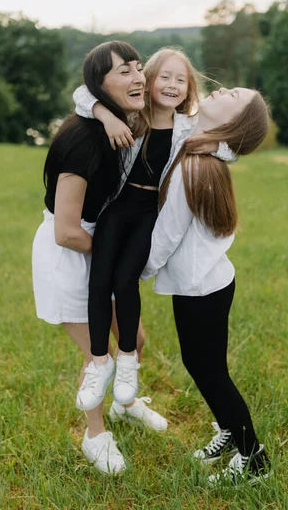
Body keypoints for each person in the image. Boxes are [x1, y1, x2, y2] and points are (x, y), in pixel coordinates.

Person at [32, 41, 167, 477]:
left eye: (138, 68)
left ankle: (125, 406)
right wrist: (117, 253)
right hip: (71, 253)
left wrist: (108, 112)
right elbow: (66, 231)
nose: (137, 77)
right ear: (101, 85)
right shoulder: (81, 143)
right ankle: (95, 437)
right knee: (99, 356)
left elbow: (82, 93)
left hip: (102, 241)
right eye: (123, 71)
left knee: (136, 339)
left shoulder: (117, 118)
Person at [73, 48, 227, 411]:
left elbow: (234, 147)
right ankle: (100, 361)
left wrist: (214, 145)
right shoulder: (129, 114)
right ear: (149, 80)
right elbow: (83, 94)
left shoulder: (190, 127)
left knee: (125, 280)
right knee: (98, 282)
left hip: (149, 216)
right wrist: (104, 116)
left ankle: (127, 360)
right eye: (165, 77)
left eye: (181, 80)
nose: (172, 85)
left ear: (189, 88)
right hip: (117, 208)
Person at [141, 86, 272, 485]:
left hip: (202, 288)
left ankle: (254, 458)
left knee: (208, 370)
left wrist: (135, 273)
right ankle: (231, 431)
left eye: (231, 95)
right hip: (207, 282)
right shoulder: (204, 151)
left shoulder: (198, 165)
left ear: (233, 123)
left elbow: (166, 233)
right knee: (203, 365)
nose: (220, 89)